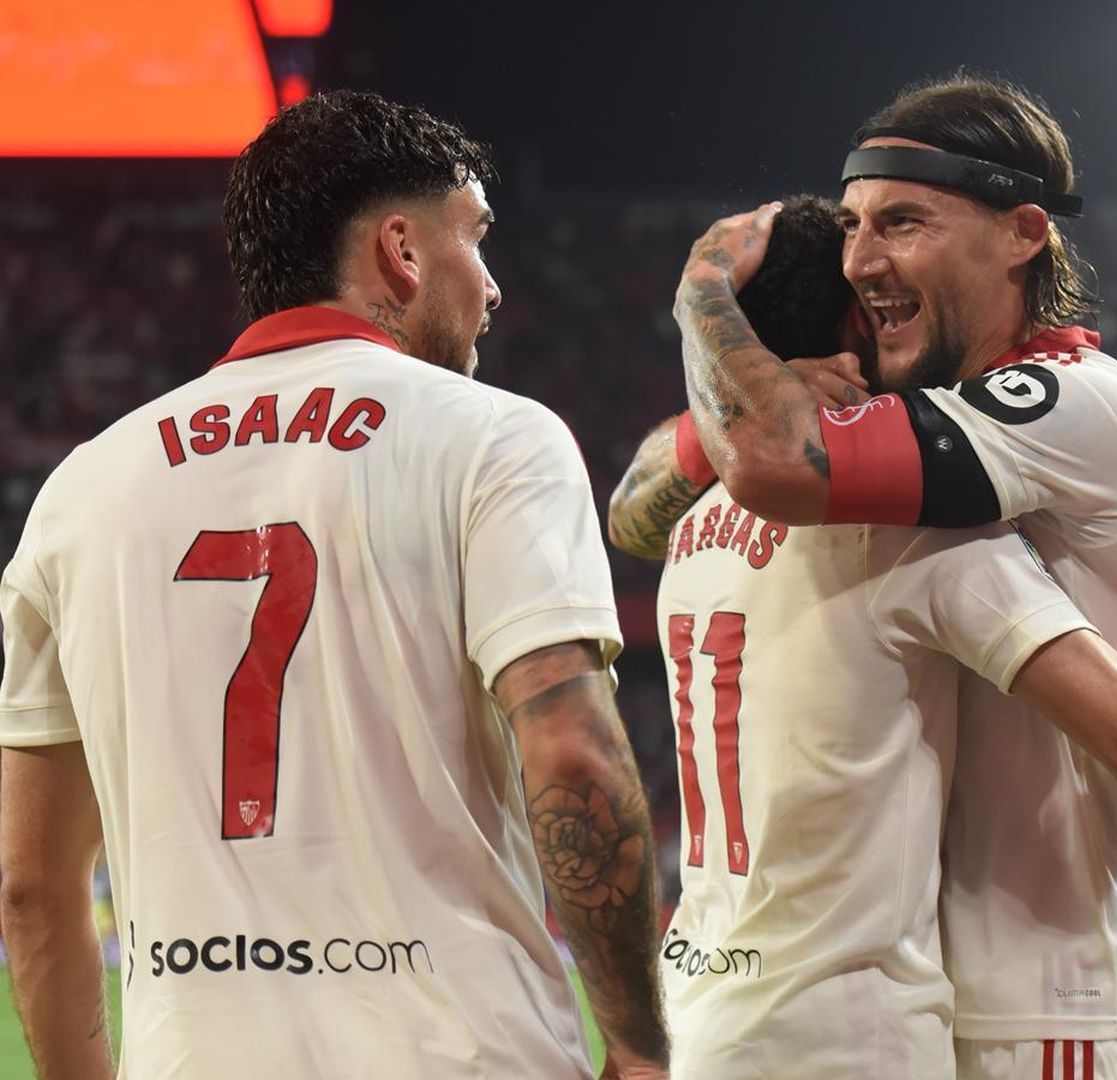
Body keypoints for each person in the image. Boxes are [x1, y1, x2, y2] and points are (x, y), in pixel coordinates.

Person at [0, 91, 668, 1079]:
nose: (491, 287)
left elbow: (29, 884)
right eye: (475, 239)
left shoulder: (84, 487)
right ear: (401, 249)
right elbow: (573, 756)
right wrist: (644, 1053)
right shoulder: (495, 439)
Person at [641, 73, 1117, 1077]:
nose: (865, 259)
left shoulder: (1063, 400)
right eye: (857, 227)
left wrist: (704, 290)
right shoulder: (942, 469)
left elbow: (768, 465)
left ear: (1022, 232)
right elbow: (641, 497)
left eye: (903, 222)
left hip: (1067, 1007)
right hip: (950, 1003)